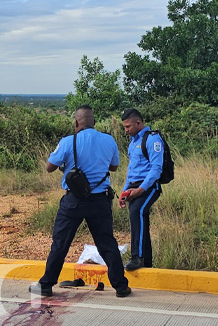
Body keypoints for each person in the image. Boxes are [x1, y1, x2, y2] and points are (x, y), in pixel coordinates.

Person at [29, 105, 131, 298]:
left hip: (73, 201)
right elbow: (114, 166)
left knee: (60, 243)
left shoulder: (68, 142)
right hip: (100, 201)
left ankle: (46, 285)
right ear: (94, 122)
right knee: (107, 243)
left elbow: (50, 167)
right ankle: (120, 286)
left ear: (76, 123)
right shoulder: (108, 140)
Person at [118, 108, 163, 271]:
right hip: (133, 186)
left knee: (137, 212)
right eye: (124, 127)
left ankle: (137, 257)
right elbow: (131, 170)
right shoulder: (133, 142)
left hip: (149, 186)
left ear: (138, 122)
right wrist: (124, 191)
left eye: (128, 126)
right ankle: (147, 262)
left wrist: (141, 190)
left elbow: (156, 169)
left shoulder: (153, 140)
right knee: (139, 218)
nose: (126, 130)